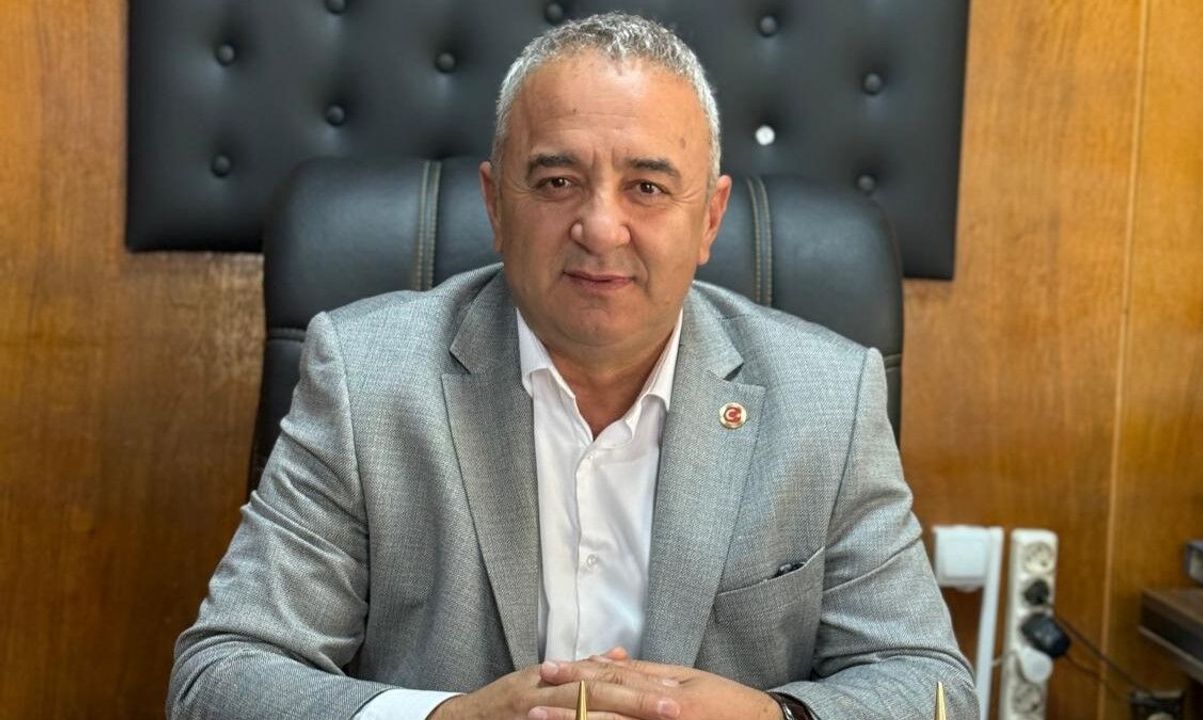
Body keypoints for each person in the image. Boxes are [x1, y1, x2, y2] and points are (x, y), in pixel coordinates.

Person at [169, 13, 978, 720]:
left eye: (647, 187)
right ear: (495, 204)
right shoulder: (367, 380)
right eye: (558, 181)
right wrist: (447, 718)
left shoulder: (827, 399)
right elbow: (221, 677)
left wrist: (774, 715)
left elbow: (929, 683)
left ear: (710, 219)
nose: (600, 227)